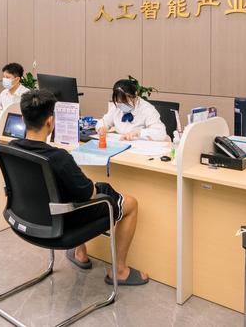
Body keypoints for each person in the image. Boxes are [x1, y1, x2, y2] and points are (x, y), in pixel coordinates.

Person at [10, 89, 149, 285]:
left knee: (67, 192)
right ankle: (119, 270)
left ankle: (79, 252)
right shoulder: (59, 158)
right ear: (50, 121)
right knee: (130, 204)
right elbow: (89, 193)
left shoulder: (12, 148)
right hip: (61, 227)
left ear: (23, 118)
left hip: (26, 220)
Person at [96, 79, 168, 141]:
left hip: (140, 147)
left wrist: (138, 132)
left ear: (135, 95)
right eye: (119, 102)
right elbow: (104, 121)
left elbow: (160, 133)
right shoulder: (116, 107)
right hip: (121, 144)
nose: (122, 105)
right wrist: (102, 128)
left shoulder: (147, 109)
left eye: (125, 101)